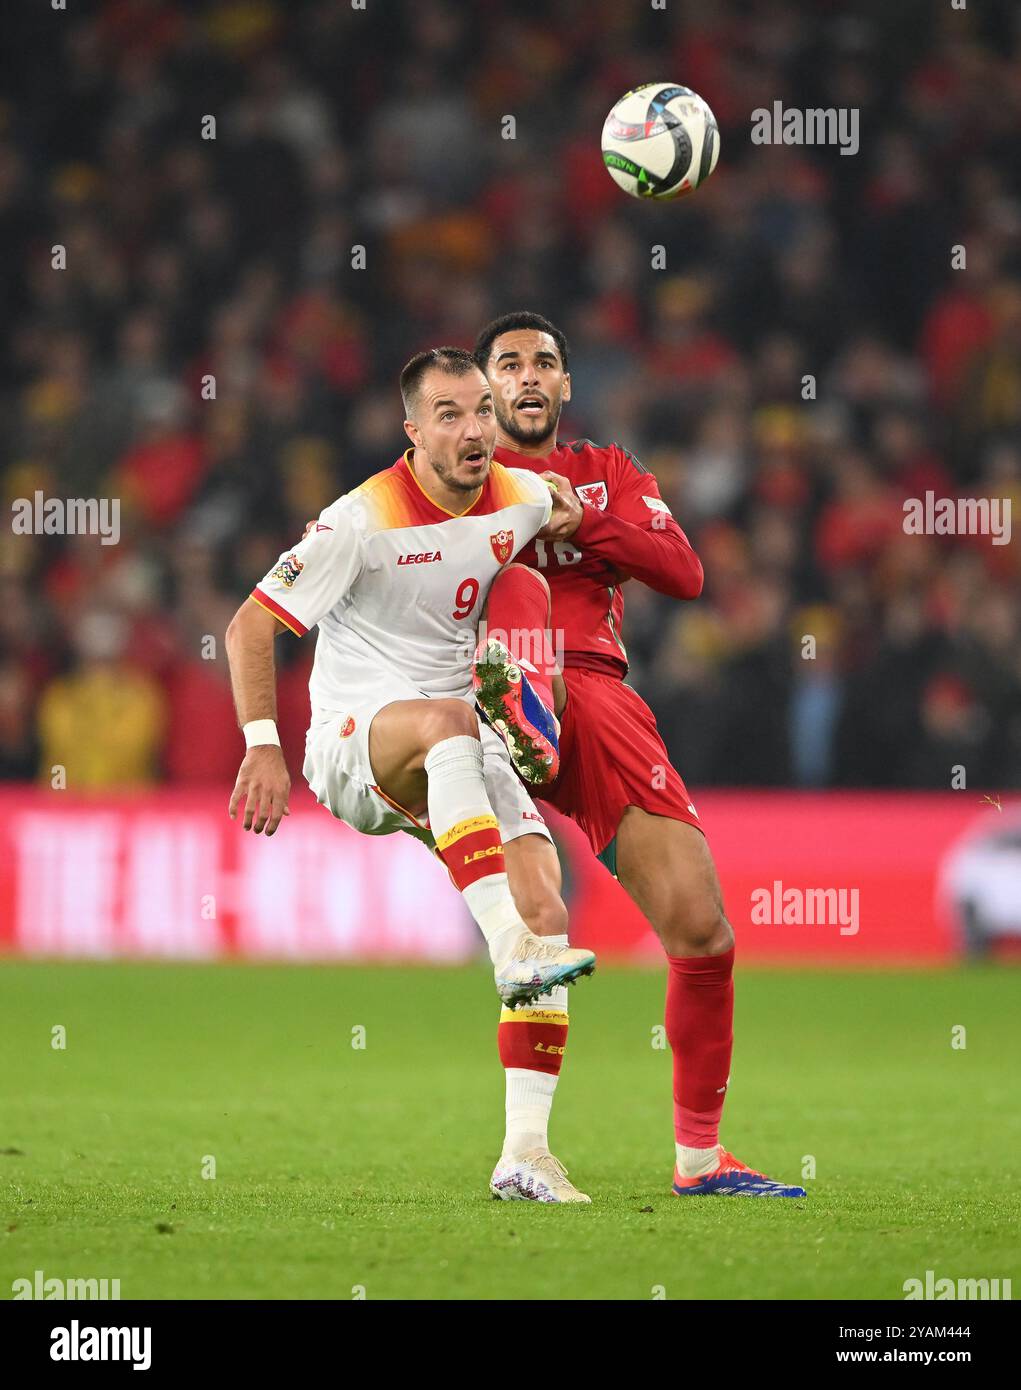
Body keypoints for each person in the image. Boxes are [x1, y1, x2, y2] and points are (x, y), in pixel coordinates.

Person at [225, 347, 597, 1203]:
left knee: (545, 904)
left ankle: (525, 1155)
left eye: (481, 411)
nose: (473, 431)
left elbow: (560, 514)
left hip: (460, 741)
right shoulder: (360, 519)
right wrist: (261, 743)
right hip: (357, 742)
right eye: (448, 416)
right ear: (412, 431)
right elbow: (249, 626)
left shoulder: (520, 494)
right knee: (450, 725)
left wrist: (570, 530)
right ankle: (506, 948)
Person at [473, 311, 806, 1198]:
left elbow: (684, 572)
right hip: (462, 686)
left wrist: (578, 517)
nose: (529, 376)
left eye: (545, 361)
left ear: (567, 384)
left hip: (590, 695)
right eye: (508, 365)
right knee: (514, 586)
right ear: (482, 388)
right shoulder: (452, 474)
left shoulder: (605, 471)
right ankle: (510, 701)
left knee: (703, 934)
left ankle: (699, 1160)